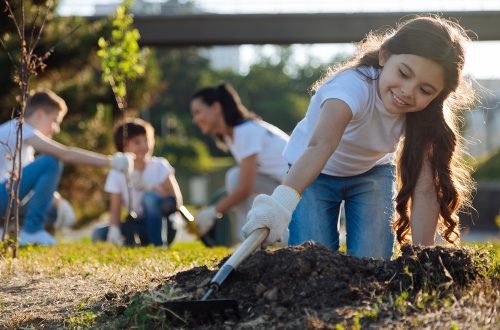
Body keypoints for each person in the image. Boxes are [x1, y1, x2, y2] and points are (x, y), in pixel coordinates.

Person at [241, 16, 476, 259]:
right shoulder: (349, 89)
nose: (408, 91)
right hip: (315, 172)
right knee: (312, 257)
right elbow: (320, 146)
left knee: (372, 262)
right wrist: (278, 206)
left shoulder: (425, 115)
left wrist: (422, 257)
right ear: (384, 56)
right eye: (404, 73)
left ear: (438, 95)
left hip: (371, 173)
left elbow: (425, 187)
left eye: (425, 90)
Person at [0, 89, 133, 246]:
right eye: (55, 121)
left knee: (53, 210)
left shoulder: (23, 142)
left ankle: (7, 230)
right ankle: (32, 231)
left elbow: (31, 184)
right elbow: (65, 154)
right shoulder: (19, 129)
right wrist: (111, 162)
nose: (56, 129)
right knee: (51, 161)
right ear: (39, 115)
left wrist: (59, 202)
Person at [190, 83, 290, 243]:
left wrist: (212, 212)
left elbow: (244, 188)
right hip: (287, 189)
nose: (195, 120)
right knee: (235, 177)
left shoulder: (244, 131)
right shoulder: (234, 135)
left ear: (216, 107)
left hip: (302, 193)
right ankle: (256, 236)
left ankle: (256, 238)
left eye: (198, 112)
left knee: (235, 178)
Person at [91, 118, 183, 247]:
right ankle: (136, 243)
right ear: (124, 146)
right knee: (99, 234)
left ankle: (158, 245)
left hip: (165, 225)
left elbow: (176, 200)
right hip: (139, 224)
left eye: (147, 140)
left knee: (149, 198)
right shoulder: (118, 171)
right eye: (137, 142)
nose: (144, 146)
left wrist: (151, 188)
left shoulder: (160, 165)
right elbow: (115, 207)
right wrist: (114, 230)